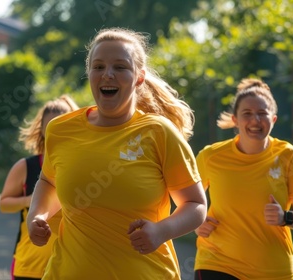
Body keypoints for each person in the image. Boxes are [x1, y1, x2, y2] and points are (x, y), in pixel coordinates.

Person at [27, 27, 207, 280]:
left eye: (120, 67)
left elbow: (196, 204)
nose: (107, 74)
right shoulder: (61, 130)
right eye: (98, 67)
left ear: (139, 78)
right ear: (89, 73)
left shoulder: (158, 133)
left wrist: (160, 231)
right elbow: (49, 181)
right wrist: (37, 216)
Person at [193, 78, 293, 280]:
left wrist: (285, 217)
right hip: (217, 263)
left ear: (273, 119)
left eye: (262, 114)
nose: (255, 120)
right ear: (235, 119)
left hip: (273, 270)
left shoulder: (288, 156)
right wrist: (196, 223)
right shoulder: (210, 156)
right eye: (247, 114)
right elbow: (185, 199)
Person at [0, 95, 79, 280]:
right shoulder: (26, 166)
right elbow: (4, 204)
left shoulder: (83, 166)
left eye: (61, 124)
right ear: (41, 130)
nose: (56, 131)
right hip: (29, 267)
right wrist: (31, 200)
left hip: (70, 267)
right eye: (50, 126)